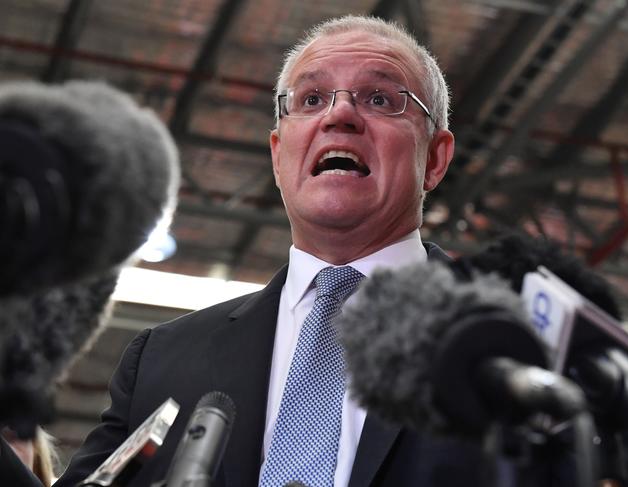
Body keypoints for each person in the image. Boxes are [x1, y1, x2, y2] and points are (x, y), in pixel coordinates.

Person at [50, 15, 463, 487]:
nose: (339, 115)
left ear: (434, 158)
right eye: (310, 99)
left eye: (380, 99)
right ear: (277, 156)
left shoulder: (527, 332)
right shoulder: (162, 361)